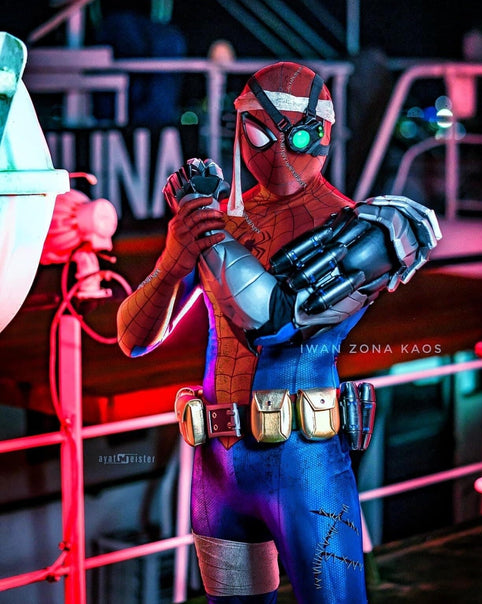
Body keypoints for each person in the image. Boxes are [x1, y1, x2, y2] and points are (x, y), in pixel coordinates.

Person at [117, 61, 441, 603]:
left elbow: (274, 321)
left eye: (297, 135)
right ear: (242, 129)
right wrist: (175, 256)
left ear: (322, 132)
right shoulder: (224, 220)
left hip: (303, 462)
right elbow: (133, 339)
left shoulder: (360, 228)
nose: (281, 152)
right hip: (218, 464)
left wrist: (206, 234)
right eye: (262, 134)